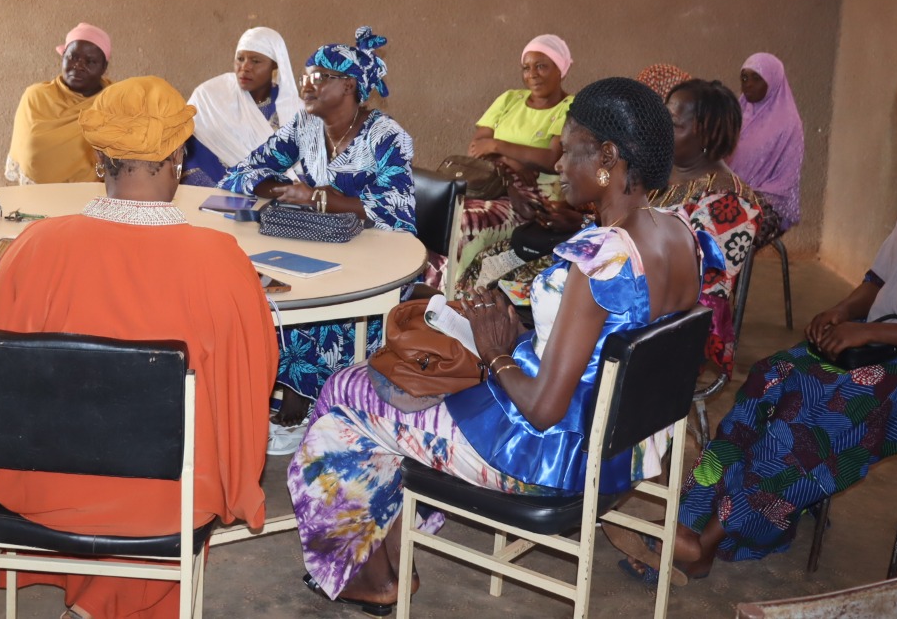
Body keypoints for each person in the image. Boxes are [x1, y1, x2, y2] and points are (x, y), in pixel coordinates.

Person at [288, 78, 702, 611]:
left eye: (568, 149)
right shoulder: (678, 235)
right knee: (404, 385)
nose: (556, 165)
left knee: (347, 395)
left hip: (547, 458)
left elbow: (544, 407)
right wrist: (517, 334)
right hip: (627, 450)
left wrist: (494, 350)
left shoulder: (599, 259)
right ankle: (390, 545)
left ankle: (371, 576)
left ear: (607, 156)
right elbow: (608, 346)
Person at [614, 93, 897, 581]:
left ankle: (709, 542)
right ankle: (688, 517)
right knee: (773, 377)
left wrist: (867, 329)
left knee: (824, 411)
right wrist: (841, 311)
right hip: (892, 341)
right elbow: (880, 276)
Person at [0, 76, 278, 619]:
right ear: (179, 160)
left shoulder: (33, 246)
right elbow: (246, 388)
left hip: (40, 490)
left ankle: (95, 600)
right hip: (167, 503)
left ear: (100, 159)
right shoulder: (220, 260)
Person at [220, 26, 416, 453]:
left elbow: (398, 211)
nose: (305, 83)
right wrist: (276, 190)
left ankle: (305, 399)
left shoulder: (387, 137)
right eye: (306, 74)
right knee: (268, 289)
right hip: (314, 245)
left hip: (379, 257)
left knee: (326, 303)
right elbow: (241, 172)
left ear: (349, 86)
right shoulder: (304, 127)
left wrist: (319, 197)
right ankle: (284, 388)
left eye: (318, 76)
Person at [650, 78, 763, 380]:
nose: (661, 131)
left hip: (676, 325)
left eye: (672, 123)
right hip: (641, 299)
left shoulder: (732, 202)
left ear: (705, 134)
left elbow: (702, 289)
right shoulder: (664, 177)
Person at [449, 34, 575, 295]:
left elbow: (551, 159)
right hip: (495, 185)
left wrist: (497, 146)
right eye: (526, 68)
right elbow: (477, 147)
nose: (533, 75)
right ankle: (430, 294)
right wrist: (512, 163)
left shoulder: (569, 107)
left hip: (537, 201)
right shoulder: (509, 100)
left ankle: (453, 298)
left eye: (542, 66)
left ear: (561, 69)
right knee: (446, 213)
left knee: (467, 223)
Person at [182, 26, 300, 187]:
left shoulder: (294, 109)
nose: (245, 67)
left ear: (275, 65)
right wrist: (221, 191)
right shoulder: (209, 97)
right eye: (240, 59)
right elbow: (189, 154)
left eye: (256, 61)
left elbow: (303, 170)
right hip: (209, 192)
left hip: (273, 198)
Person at [4, 22, 111, 185]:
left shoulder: (116, 102)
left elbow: (122, 167)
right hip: (38, 201)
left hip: (94, 200)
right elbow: (29, 154)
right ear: (63, 58)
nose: (78, 66)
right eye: (72, 57)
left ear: (104, 67)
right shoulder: (37, 97)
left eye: (90, 62)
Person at [730, 53, 804, 237]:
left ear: (773, 81)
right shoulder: (736, 116)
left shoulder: (788, 124)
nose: (748, 84)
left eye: (757, 78)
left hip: (770, 202)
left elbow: (786, 180)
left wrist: (749, 196)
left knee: (732, 229)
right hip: (731, 193)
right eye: (744, 77)